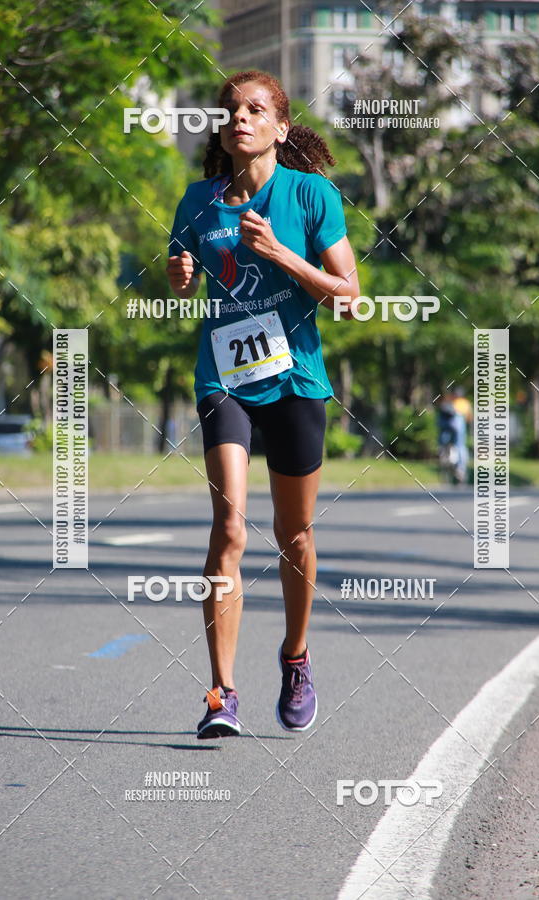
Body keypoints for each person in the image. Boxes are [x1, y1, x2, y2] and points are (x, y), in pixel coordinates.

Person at [167, 70, 360, 739]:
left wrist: (280, 253)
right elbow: (181, 265)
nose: (241, 119)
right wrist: (178, 272)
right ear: (223, 129)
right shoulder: (198, 201)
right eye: (231, 111)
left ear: (280, 127)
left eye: (256, 110)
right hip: (224, 379)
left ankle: (296, 657)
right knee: (229, 531)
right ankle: (221, 694)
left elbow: (349, 293)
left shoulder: (311, 195)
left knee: (294, 536)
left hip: (296, 381)